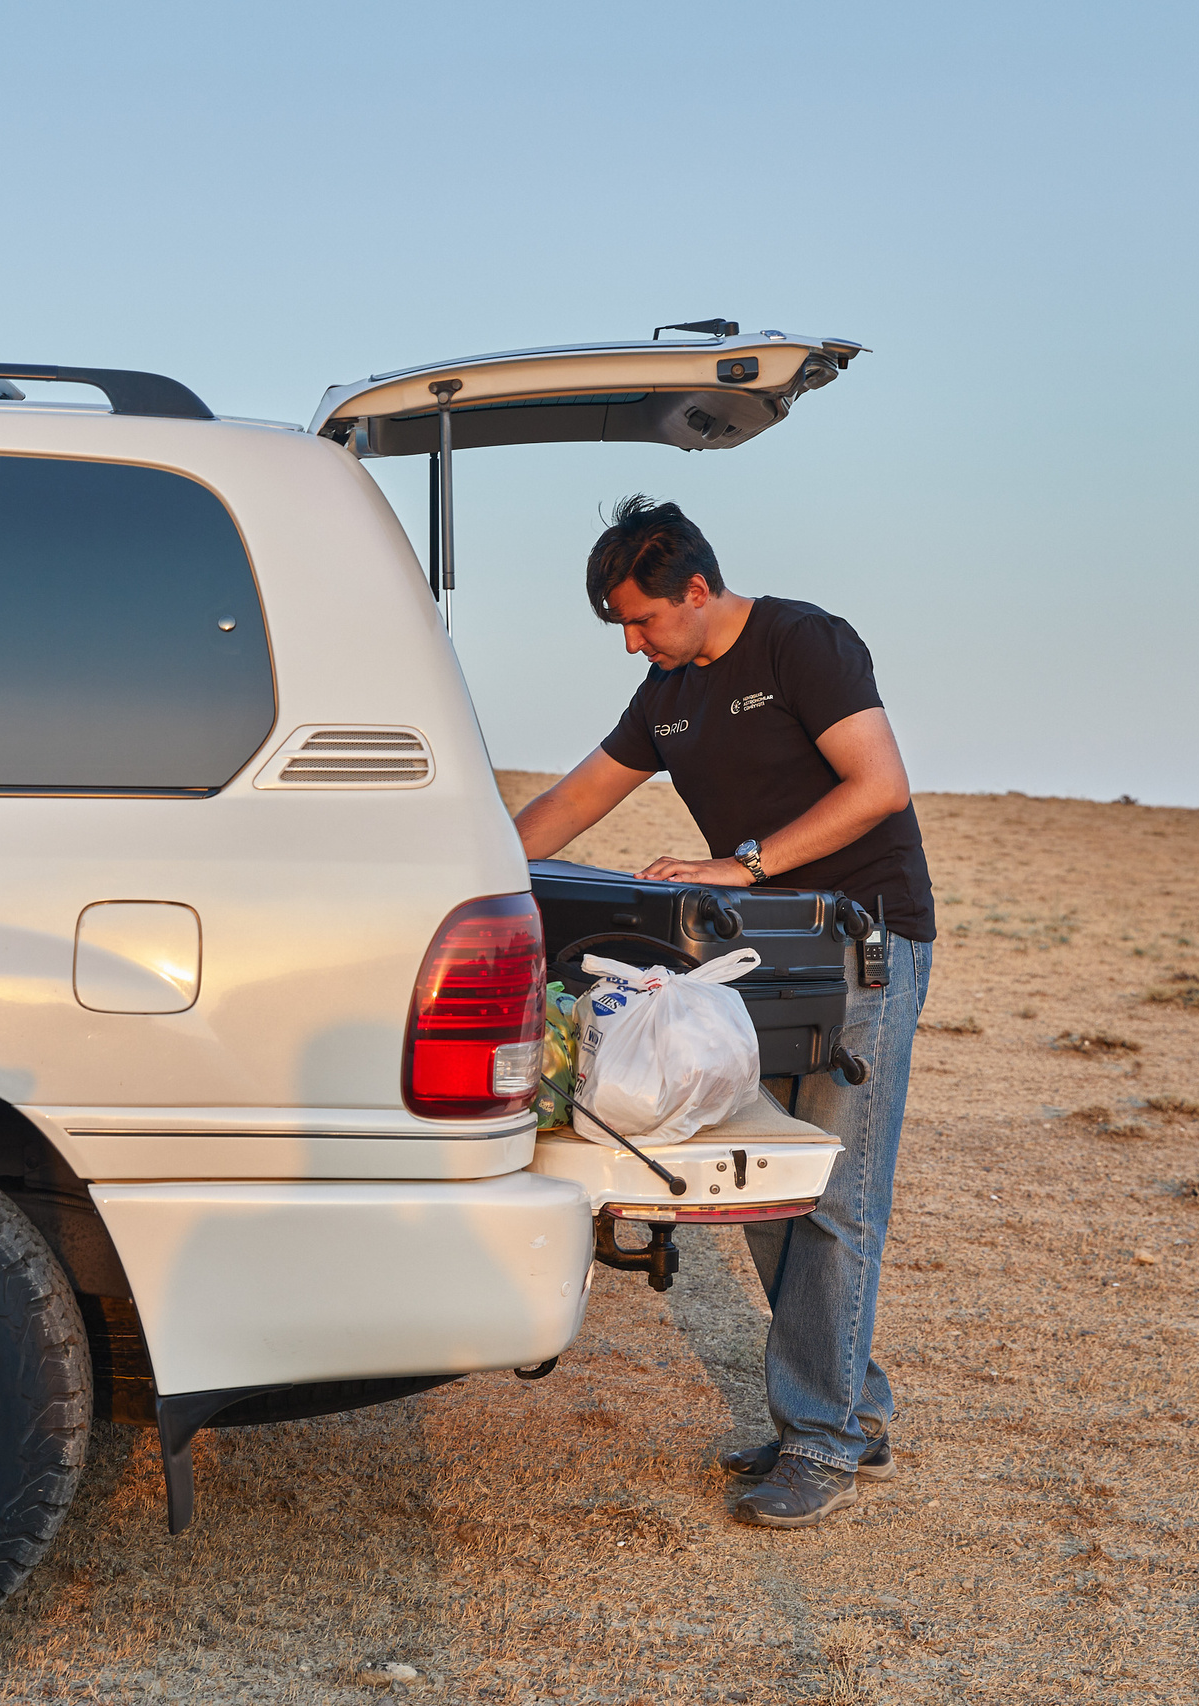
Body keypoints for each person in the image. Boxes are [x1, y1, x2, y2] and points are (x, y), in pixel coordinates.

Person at [513, 496, 935, 1530]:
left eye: (642, 617)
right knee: (771, 1181)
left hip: (859, 946)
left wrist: (739, 863)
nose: (631, 639)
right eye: (620, 624)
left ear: (695, 589)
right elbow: (573, 799)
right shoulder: (665, 691)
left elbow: (878, 785)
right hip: (761, 959)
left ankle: (821, 1439)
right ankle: (845, 1403)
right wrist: (474, 865)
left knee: (833, 1194)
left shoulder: (804, 642)